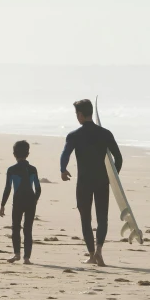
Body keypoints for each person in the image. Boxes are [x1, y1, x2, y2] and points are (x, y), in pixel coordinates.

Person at [60, 99, 122, 267]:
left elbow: (65, 154)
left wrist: (63, 170)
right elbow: (119, 158)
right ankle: (99, 251)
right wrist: (112, 178)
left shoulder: (74, 135)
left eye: (76, 114)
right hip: (102, 181)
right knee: (103, 218)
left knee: (85, 219)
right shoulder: (106, 133)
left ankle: (91, 254)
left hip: (84, 182)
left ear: (80, 115)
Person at [0, 140, 42, 265]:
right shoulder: (33, 169)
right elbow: (38, 189)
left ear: (14, 154)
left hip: (18, 202)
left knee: (16, 228)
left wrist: (2, 205)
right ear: (28, 154)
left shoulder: (12, 170)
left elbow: (8, 188)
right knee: (28, 229)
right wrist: (34, 200)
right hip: (30, 202)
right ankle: (27, 258)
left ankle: (17, 254)